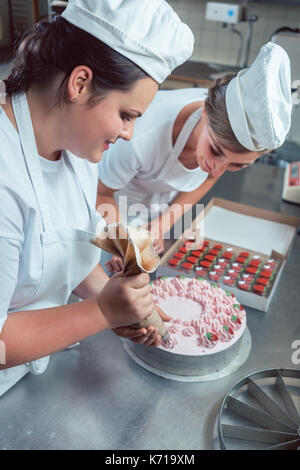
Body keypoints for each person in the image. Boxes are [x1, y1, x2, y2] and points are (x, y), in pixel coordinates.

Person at [0, 0, 194, 396]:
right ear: (80, 83)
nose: (129, 134)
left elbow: (63, 250)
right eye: (127, 114)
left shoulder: (76, 147)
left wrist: (118, 304)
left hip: (35, 374)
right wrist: (102, 312)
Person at [97, 42, 292, 274]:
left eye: (237, 165)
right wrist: (124, 244)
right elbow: (100, 193)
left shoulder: (219, 151)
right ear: (205, 114)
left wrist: (163, 224)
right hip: (107, 213)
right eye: (216, 151)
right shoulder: (142, 135)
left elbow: (208, 178)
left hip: (150, 216)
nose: (218, 170)